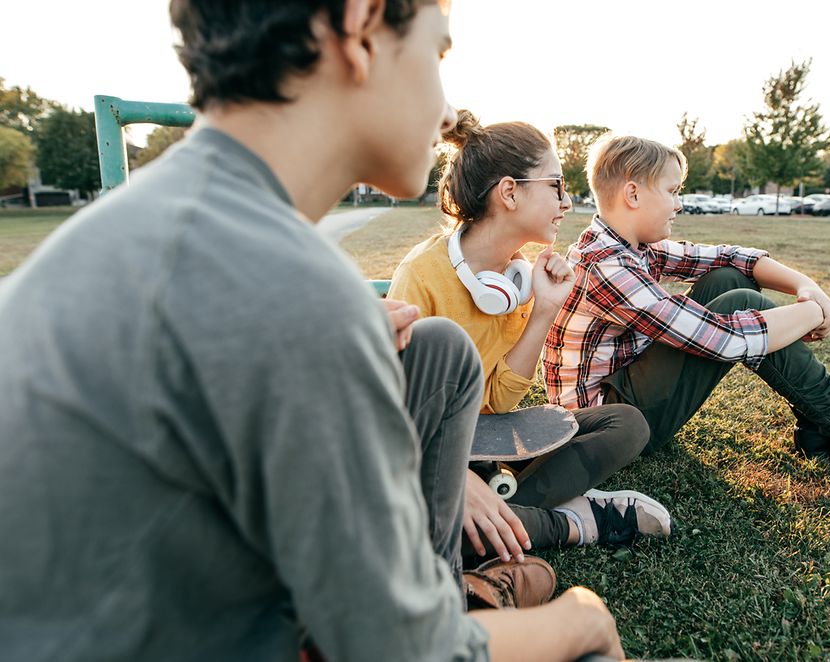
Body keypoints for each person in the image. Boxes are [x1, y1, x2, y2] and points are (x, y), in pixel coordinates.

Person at [0, 1, 626, 661]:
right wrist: (580, 621)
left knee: (437, 353)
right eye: (436, 54)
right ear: (360, 26)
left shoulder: (154, 228)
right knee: (578, 635)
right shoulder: (288, 286)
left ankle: (448, 585)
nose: (446, 114)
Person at [542, 135, 830, 480]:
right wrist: (809, 313)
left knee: (729, 279)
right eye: (673, 191)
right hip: (610, 424)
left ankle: (819, 425)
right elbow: (724, 341)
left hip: (629, 389)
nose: (680, 203)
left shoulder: (630, 246)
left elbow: (732, 257)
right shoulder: (605, 268)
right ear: (633, 194)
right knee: (742, 304)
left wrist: (807, 286)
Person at [389, 111, 671, 566]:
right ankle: (568, 522)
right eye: (556, 185)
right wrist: (456, 474)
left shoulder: (518, 281)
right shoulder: (422, 276)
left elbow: (499, 401)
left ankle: (490, 513)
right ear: (509, 192)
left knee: (627, 424)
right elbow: (395, 415)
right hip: (427, 448)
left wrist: (543, 309)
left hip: (486, 438)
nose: (567, 201)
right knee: (419, 518)